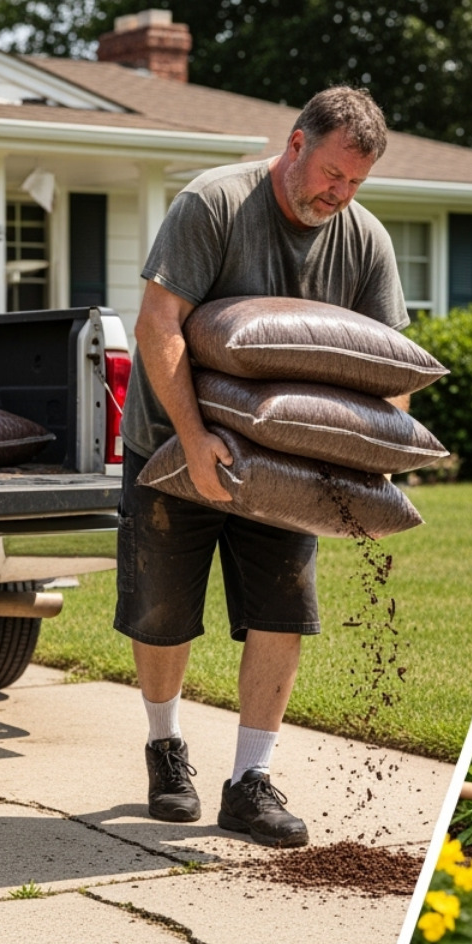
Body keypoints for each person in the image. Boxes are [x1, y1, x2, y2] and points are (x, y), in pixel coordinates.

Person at [115, 86, 409, 846]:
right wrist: (197, 437)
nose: (338, 197)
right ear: (295, 144)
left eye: (355, 186)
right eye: (331, 176)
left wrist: (374, 460)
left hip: (288, 466)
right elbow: (158, 323)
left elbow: (391, 364)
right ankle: (165, 747)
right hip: (173, 443)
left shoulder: (363, 238)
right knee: (162, 609)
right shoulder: (213, 204)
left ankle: (250, 781)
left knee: (283, 610)